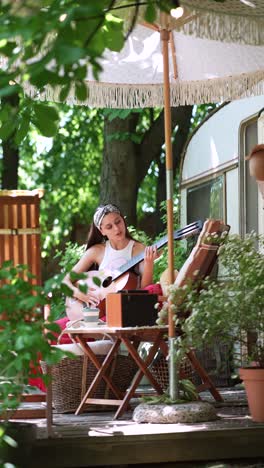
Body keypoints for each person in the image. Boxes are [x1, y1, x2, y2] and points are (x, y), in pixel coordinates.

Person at [63, 203, 159, 310]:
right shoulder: (96, 251)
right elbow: (64, 282)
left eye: (118, 221)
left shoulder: (139, 249)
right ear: (101, 231)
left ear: (123, 220)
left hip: (127, 309)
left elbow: (145, 290)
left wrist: (149, 264)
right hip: (96, 310)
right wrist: (79, 293)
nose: (117, 229)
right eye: (109, 227)